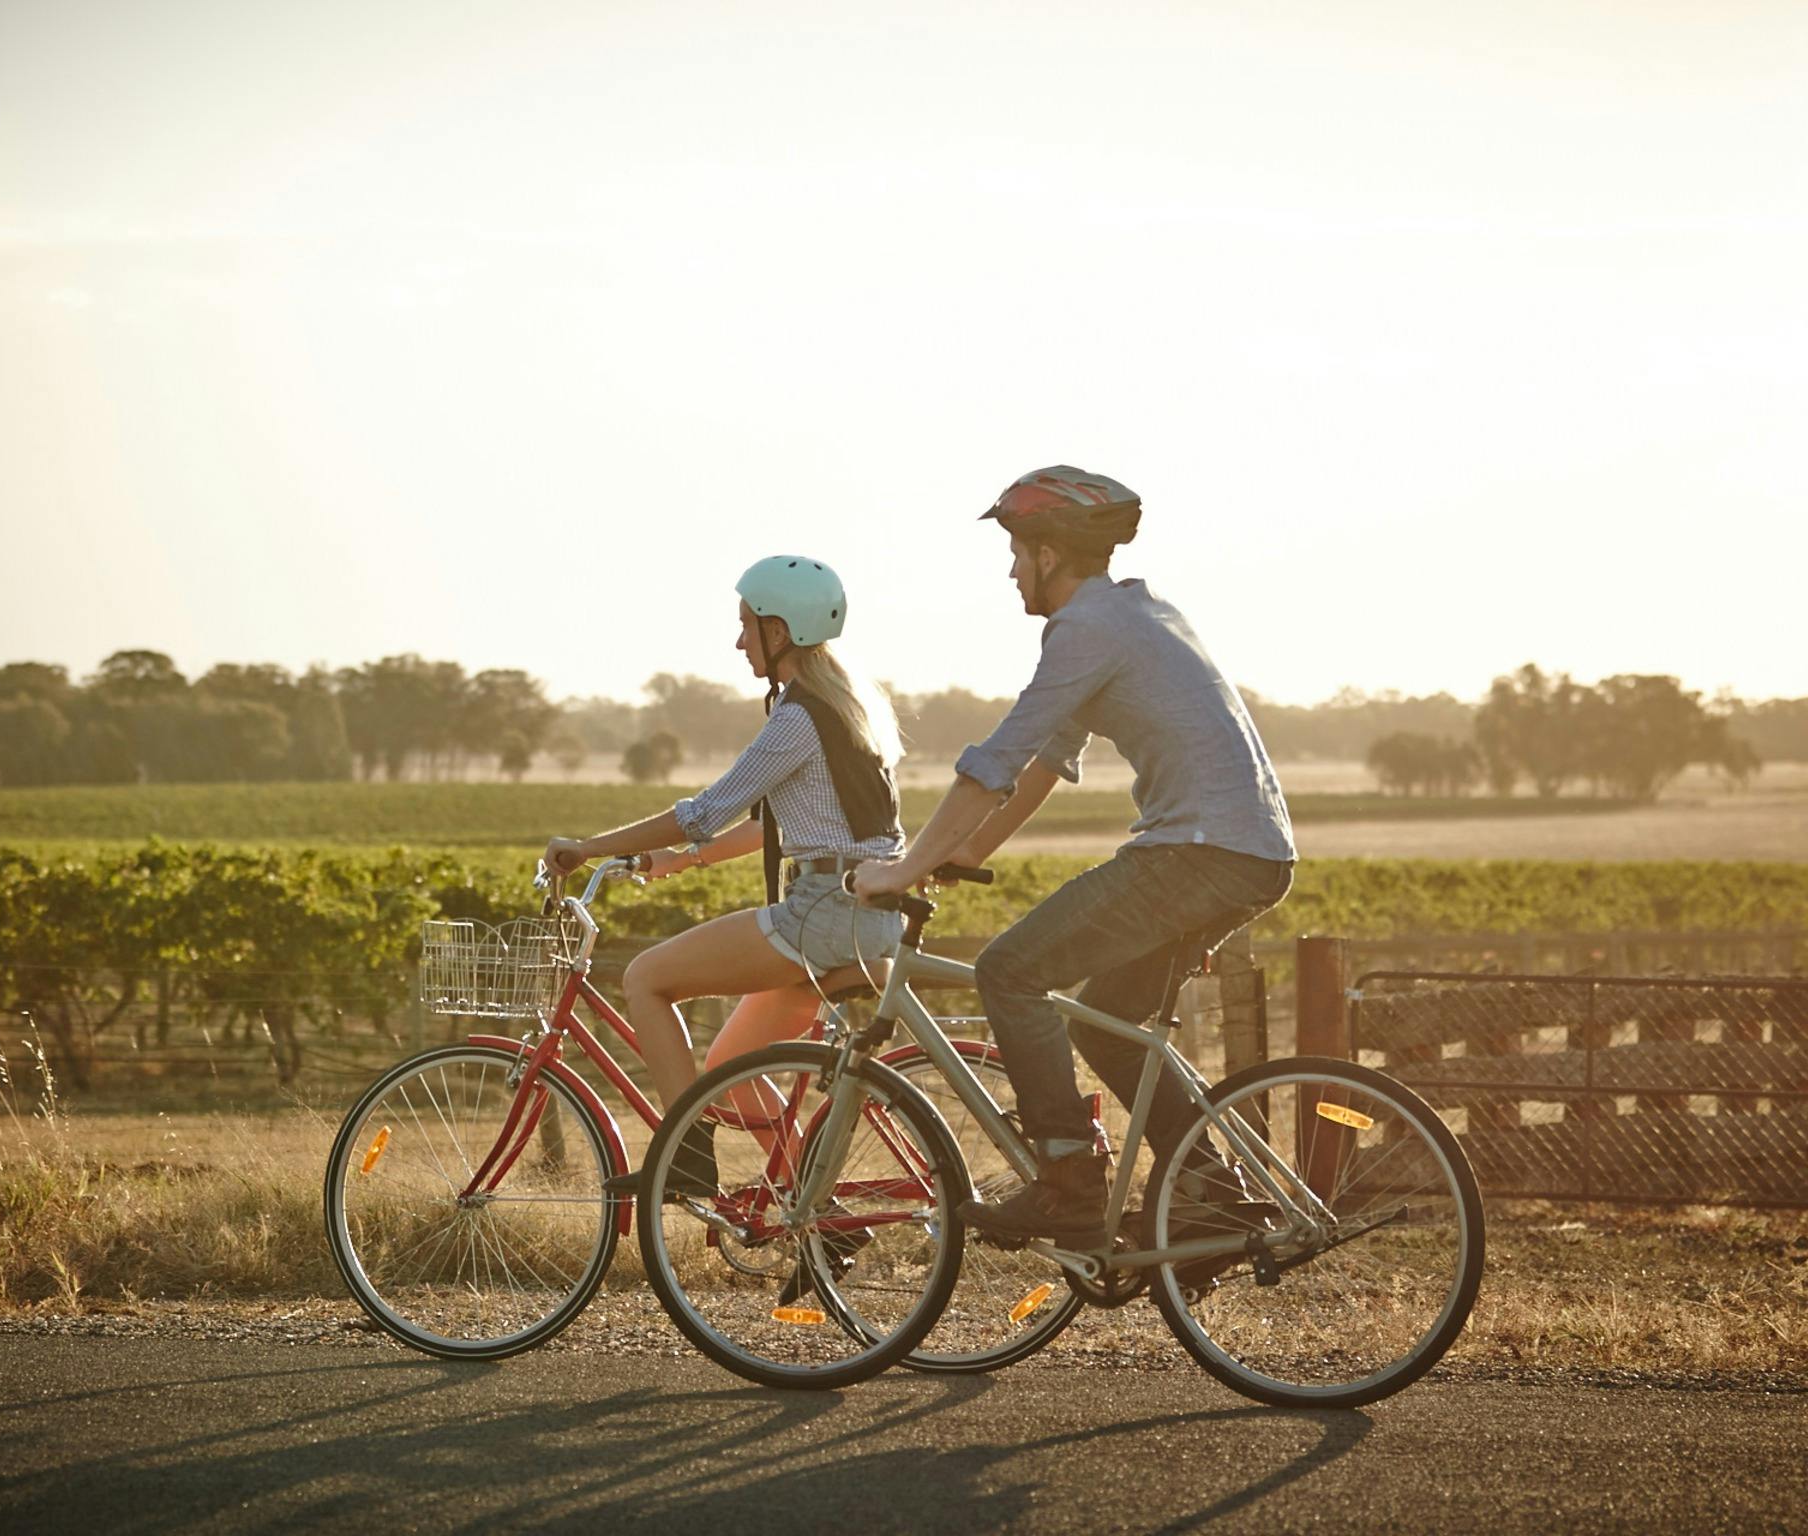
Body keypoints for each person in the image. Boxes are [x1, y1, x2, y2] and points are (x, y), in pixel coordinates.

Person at [852, 467, 1297, 1250]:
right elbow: (1044, 764)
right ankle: (1207, 1199)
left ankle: (1066, 1185)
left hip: (1198, 853)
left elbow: (996, 759)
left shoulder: (1087, 628)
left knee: (1009, 972)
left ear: (1050, 554)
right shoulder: (1135, 614)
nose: (1011, 570)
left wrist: (903, 868)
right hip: (1250, 855)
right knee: (1108, 1023)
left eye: (1017, 552)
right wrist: (961, 854)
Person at [542, 555, 908, 1199]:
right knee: (730, 1071)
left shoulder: (798, 717)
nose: (738, 641)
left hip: (822, 915)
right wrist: (674, 862)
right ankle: (812, 1213)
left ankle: (683, 1152)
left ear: (780, 631)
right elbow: (773, 824)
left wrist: (589, 847)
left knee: (645, 978)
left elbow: (704, 813)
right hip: (867, 918)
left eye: (747, 625)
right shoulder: (844, 710)